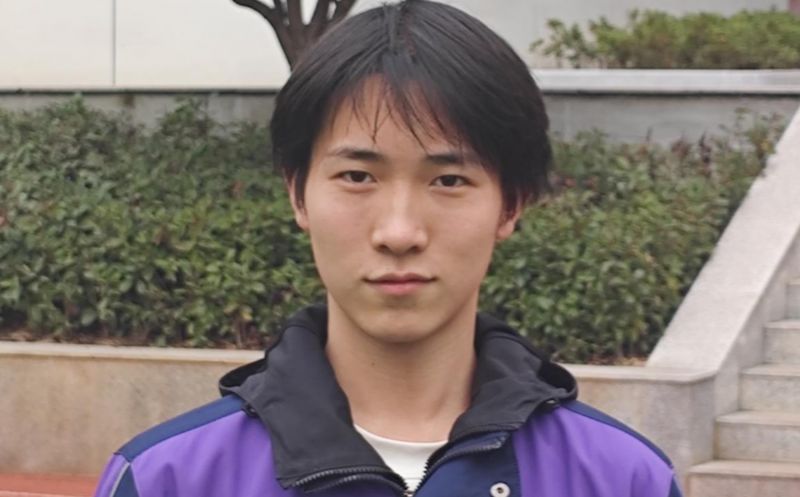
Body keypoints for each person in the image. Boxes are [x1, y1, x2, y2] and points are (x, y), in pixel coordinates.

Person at [94, 1, 682, 496]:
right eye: (357, 176)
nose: (399, 232)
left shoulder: (622, 480)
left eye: (448, 180)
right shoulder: (168, 479)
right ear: (298, 194)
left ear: (511, 205)